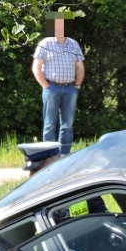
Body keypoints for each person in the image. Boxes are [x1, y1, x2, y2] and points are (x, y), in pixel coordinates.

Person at [31, 11, 85, 155]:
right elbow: (36, 67)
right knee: (49, 125)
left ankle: (64, 155)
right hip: (52, 87)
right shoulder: (45, 44)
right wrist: (46, 86)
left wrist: (77, 86)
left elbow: (80, 67)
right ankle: (49, 156)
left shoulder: (73, 45)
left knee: (68, 125)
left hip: (70, 88)